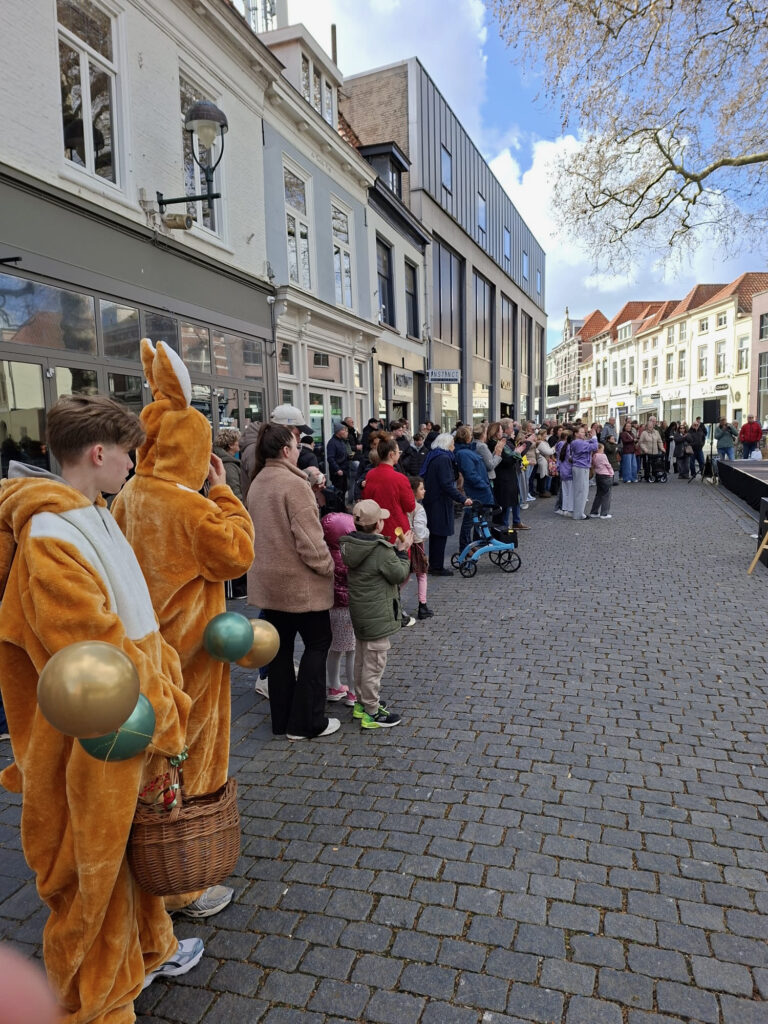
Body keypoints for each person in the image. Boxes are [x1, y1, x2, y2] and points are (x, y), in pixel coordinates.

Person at [0, 394, 201, 1020]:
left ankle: (144, 951)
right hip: (95, 735)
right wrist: (166, 713)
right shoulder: (52, 533)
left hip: (125, 721)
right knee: (92, 873)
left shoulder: (90, 511)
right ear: (98, 452)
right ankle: (96, 1000)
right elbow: (95, 653)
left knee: (128, 854)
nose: (132, 465)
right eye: (127, 453)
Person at [112, 341, 255, 919]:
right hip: (191, 655)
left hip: (144, 651)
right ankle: (183, 883)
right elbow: (239, 552)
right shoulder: (191, 508)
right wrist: (221, 488)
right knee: (192, 759)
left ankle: (149, 869)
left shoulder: (127, 496)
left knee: (153, 766)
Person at [246, 424, 338, 741]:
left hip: (269, 583)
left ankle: (282, 720)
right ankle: (307, 722)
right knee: (317, 644)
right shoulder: (293, 484)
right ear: (286, 451)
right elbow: (310, 542)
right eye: (297, 445)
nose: (300, 450)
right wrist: (328, 567)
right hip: (300, 584)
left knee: (280, 652)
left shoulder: (258, 481)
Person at [340, 499, 411, 729]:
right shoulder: (380, 550)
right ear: (378, 525)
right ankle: (371, 711)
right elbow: (399, 574)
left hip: (361, 615)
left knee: (362, 660)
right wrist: (402, 553)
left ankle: (362, 703)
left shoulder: (351, 545)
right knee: (375, 664)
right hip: (377, 616)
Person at [420, 433, 473, 575]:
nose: (454, 447)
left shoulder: (434, 456)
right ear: (447, 444)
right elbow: (446, 484)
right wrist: (463, 499)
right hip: (439, 501)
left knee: (436, 533)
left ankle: (435, 565)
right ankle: (437, 566)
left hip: (433, 499)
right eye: (452, 444)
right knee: (440, 533)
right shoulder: (443, 459)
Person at [321, 512, 357, 705]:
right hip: (347, 608)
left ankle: (334, 686)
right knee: (352, 650)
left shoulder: (325, 553)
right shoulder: (348, 556)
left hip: (330, 607)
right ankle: (353, 691)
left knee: (334, 648)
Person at [453, 425, 495, 553]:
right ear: (466, 438)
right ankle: (465, 547)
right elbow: (470, 474)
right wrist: (483, 484)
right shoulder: (463, 453)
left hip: (480, 489)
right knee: (469, 519)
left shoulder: (467, 451)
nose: (472, 437)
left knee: (475, 518)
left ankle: (472, 544)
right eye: (470, 435)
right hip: (477, 490)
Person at [407, 475, 432, 619]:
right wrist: (425, 534)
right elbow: (420, 530)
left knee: (405, 575)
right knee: (422, 574)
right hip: (416, 544)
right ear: (414, 491)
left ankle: (395, 599)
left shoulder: (403, 505)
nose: (424, 491)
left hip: (405, 542)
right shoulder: (418, 508)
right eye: (421, 488)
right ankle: (423, 606)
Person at [569, 425, 598, 520]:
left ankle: (579, 513)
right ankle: (578, 514)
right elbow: (594, 446)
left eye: (583, 431)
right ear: (576, 434)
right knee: (581, 491)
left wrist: (590, 438)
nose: (583, 433)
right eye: (581, 432)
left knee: (581, 491)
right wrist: (594, 437)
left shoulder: (577, 442)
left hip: (581, 467)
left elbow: (587, 443)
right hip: (581, 467)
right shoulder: (578, 442)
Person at [213, 427, 244, 500]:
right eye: (238, 441)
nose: (240, 443)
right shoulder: (229, 466)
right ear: (231, 444)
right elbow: (235, 494)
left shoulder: (221, 461)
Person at [589, 443, 614, 519]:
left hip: (599, 475)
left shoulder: (594, 456)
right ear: (599, 449)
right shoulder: (603, 456)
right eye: (602, 448)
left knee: (599, 494)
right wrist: (611, 473)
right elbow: (607, 465)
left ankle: (594, 512)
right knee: (607, 495)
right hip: (606, 475)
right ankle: (604, 513)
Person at [326, 422, 351, 499]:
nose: (346, 432)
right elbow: (330, 458)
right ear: (338, 431)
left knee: (344, 490)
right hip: (337, 473)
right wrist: (337, 469)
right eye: (344, 430)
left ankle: (343, 508)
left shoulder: (342, 441)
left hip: (344, 470)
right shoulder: (332, 443)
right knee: (338, 493)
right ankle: (339, 509)